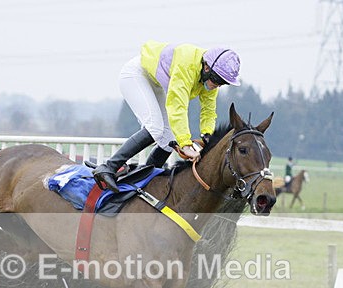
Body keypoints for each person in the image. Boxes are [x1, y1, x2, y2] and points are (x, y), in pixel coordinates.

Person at [92, 41, 241, 192]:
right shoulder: (187, 66)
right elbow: (177, 107)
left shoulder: (208, 75)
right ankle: (109, 167)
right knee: (155, 128)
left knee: (169, 137)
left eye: (223, 82)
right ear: (207, 67)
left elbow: (209, 110)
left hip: (155, 82)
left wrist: (207, 135)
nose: (218, 85)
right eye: (218, 79)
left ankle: (145, 178)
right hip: (136, 75)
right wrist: (185, 144)